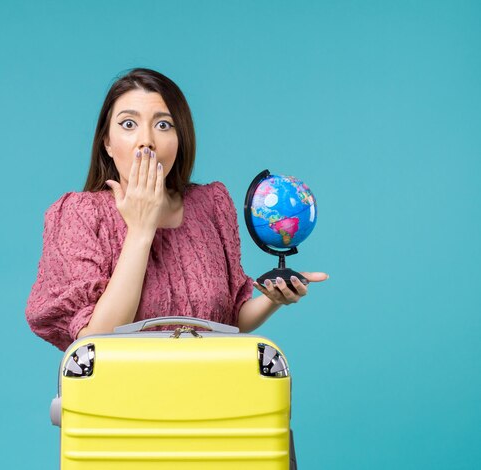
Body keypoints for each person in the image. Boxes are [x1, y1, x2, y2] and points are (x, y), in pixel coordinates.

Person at [25, 68, 328, 351]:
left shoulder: (211, 204)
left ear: (180, 139)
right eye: (128, 124)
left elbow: (231, 319)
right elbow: (98, 343)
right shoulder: (79, 215)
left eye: (163, 125)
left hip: (209, 399)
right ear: (107, 142)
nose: (147, 141)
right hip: (122, 403)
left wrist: (273, 299)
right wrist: (141, 230)